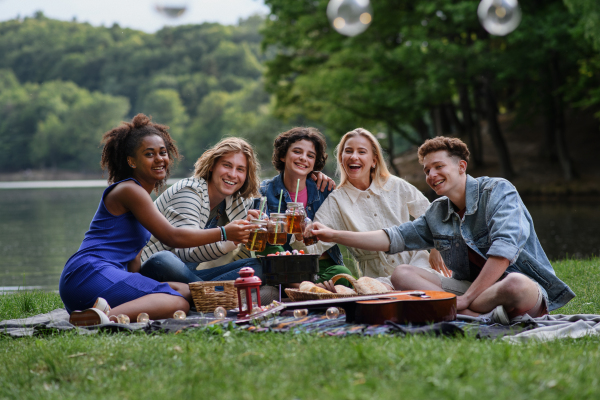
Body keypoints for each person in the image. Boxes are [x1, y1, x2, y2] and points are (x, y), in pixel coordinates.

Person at [312, 136, 575, 322]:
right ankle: (476, 315)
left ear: (461, 166)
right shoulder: (438, 210)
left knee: (516, 284)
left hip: (509, 288)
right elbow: (392, 238)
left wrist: (464, 298)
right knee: (402, 273)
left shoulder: (498, 190)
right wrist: (332, 234)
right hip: (469, 291)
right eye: (427, 170)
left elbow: (504, 252)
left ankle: (455, 311)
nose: (431, 175)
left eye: (438, 167)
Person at [59, 114, 253, 325]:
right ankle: (101, 318)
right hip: (90, 273)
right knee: (179, 303)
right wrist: (226, 232)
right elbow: (172, 236)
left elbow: (134, 257)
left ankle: (98, 313)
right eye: (149, 154)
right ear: (131, 161)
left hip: (92, 279)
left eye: (163, 152)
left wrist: (138, 281)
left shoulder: (140, 194)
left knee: (185, 290)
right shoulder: (130, 190)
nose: (160, 159)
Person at [292, 128, 447, 291]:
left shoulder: (395, 185)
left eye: (361, 152)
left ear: (374, 160)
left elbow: (432, 214)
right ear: (341, 158)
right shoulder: (336, 201)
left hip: (416, 263)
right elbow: (312, 248)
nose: (354, 156)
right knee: (375, 295)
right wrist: (299, 233)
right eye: (348, 151)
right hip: (376, 278)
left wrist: (437, 246)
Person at [139, 137, 265, 285]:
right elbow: (185, 252)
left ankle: (199, 293)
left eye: (240, 169)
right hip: (155, 268)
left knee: (257, 267)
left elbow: (245, 252)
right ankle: (207, 294)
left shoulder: (239, 200)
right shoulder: (188, 191)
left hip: (190, 275)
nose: (232, 174)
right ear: (212, 166)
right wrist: (229, 236)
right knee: (165, 260)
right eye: (227, 165)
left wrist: (256, 228)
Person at [260, 127, 354, 286]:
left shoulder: (324, 190)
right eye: (297, 152)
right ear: (283, 155)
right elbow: (267, 246)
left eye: (310, 155)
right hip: (284, 265)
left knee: (343, 274)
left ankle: (309, 288)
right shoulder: (264, 191)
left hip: (320, 264)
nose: (304, 158)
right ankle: (301, 287)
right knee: (266, 234)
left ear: (314, 163)